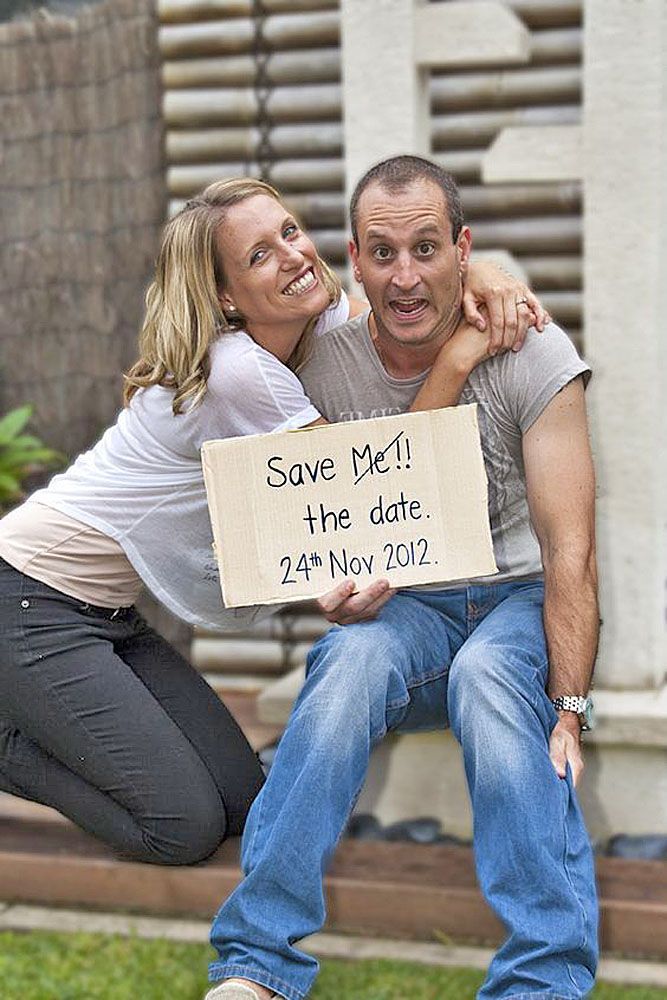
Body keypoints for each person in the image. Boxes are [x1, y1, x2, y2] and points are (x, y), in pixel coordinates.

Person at [0, 177, 542, 865]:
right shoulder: (237, 372)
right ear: (225, 296)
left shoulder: (312, 320)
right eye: (259, 255)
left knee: (241, 800)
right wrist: (462, 355)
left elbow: (407, 296)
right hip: (26, 602)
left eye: (288, 232)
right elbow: (377, 477)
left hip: (104, 617)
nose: (293, 256)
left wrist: (478, 270)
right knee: (183, 829)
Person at [205, 158, 598, 1000]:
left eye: (428, 248)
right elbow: (297, 520)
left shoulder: (532, 351)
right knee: (342, 670)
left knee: (492, 679)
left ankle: (542, 979)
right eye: (382, 254)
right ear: (354, 259)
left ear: (462, 247)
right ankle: (256, 967)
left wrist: (568, 708)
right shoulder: (315, 363)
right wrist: (322, 584)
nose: (406, 275)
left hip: (514, 599)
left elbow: (569, 552)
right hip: (408, 610)